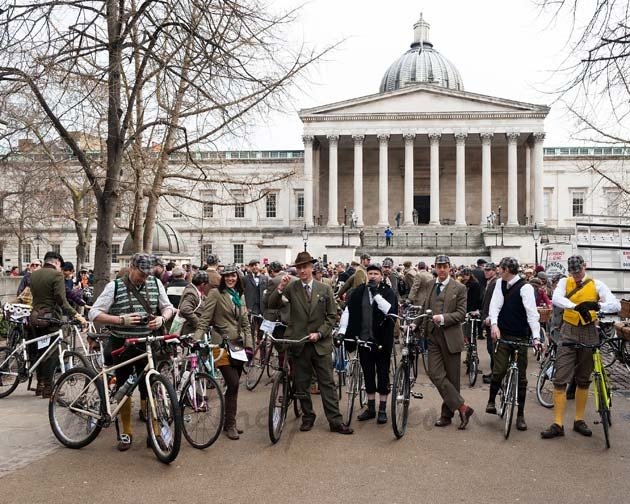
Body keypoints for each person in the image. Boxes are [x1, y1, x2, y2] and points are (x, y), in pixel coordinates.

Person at [89, 252, 174, 451]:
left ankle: (155, 433)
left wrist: (163, 318)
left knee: (150, 387)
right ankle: (126, 433)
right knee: (124, 389)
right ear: (132, 267)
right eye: (141, 273)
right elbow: (93, 312)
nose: (144, 278)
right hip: (123, 343)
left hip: (147, 342)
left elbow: (168, 307)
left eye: (147, 274)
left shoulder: (156, 284)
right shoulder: (115, 286)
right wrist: (120, 320)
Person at [267, 251, 353, 435]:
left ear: (312, 268)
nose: (302, 271)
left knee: (327, 383)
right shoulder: (292, 287)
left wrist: (320, 333)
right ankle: (308, 416)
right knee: (302, 384)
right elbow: (271, 304)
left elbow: (331, 316)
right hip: (299, 342)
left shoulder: (325, 289)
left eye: (305, 267)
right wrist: (281, 287)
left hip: (320, 344)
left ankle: (335, 421)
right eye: (299, 267)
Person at [541, 255, 620, 440]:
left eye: (578, 271)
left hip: (589, 329)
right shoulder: (564, 282)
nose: (576, 275)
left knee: (584, 378)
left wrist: (597, 307)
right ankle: (558, 423)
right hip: (568, 330)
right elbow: (557, 299)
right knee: (561, 377)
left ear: (584, 266)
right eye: (573, 272)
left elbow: (614, 303)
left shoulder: (597, 284)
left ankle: (578, 420)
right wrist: (576, 306)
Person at [194, 264, 253, 440]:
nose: (230, 279)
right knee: (233, 383)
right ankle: (231, 425)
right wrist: (196, 339)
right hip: (221, 345)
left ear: (238, 277)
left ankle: (229, 423)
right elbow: (204, 319)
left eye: (233, 276)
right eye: (227, 276)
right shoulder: (215, 294)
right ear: (222, 278)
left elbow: (245, 323)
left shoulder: (239, 296)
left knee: (233, 388)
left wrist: (250, 345)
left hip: (239, 346)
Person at [416, 254, 474, 429]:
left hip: (450, 337)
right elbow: (425, 308)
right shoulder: (430, 284)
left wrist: (443, 317)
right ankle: (463, 407)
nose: (441, 269)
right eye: (438, 266)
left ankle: (446, 415)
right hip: (433, 336)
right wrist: (415, 323)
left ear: (450, 268)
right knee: (435, 373)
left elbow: (461, 313)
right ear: (434, 267)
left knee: (452, 379)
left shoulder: (460, 288)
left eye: (444, 266)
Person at [485, 257, 541, 431]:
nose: (498, 270)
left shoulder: (526, 288)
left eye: (500, 268)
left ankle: (520, 415)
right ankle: (491, 400)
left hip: (521, 337)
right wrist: (494, 324)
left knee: (522, 378)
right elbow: (495, 306)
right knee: (499, 369)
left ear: (507, 270)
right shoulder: (500, 284)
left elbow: (532, 315)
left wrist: (536, 337)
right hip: (504, 334)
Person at [336, 263, 397, 423]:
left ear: (381, 276)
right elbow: (348, 311)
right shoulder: (358, 292)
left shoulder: (387, 292)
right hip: (363, 339)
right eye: (370, 273)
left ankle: (382, 408)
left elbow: (389, 310)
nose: (373, 276)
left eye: (376, 273)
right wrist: (342, 332)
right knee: (368, 373)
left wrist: (376, 294)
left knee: (383, 373)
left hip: (382, 340)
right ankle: (371, 408)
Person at [29, 251, 87, 398]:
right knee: (52, 354)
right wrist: (77, 314)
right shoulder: (57, 276)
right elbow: (61, 299)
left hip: (35, 317)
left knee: (40, 351)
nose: (60, 268)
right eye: (60, 265)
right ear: (56, 262)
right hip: (51, 319)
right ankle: (49, 388)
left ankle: (40, 385)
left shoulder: (34, 275)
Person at [480, 262, 499, 383]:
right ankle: (494, 373)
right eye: (485, 270)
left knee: (493, 349)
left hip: (491, 319)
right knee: (490, 348)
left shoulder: (495, 282)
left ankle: (495, 375)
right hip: (487, 317)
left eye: (489, 270)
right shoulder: (490, 282)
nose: (486, 272)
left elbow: (495, 302)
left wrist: (490, 317)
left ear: (494, 271)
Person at [243, 258, 268, 341]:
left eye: (256, 265)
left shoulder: (265, 278)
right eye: (252, 266)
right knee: (250, 331)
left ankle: (263, 351)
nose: (254, 267)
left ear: (259, 266)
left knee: (263, 331)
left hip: (262, 308)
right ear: (250, 267)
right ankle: (251, 350)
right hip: (251, 308)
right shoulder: (245, 279)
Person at [177, 270, 208, 336]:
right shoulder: (191, 293)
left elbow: (203, 299)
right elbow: (185, 309)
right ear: (202, 284)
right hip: (189, 332)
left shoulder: (194, 290)